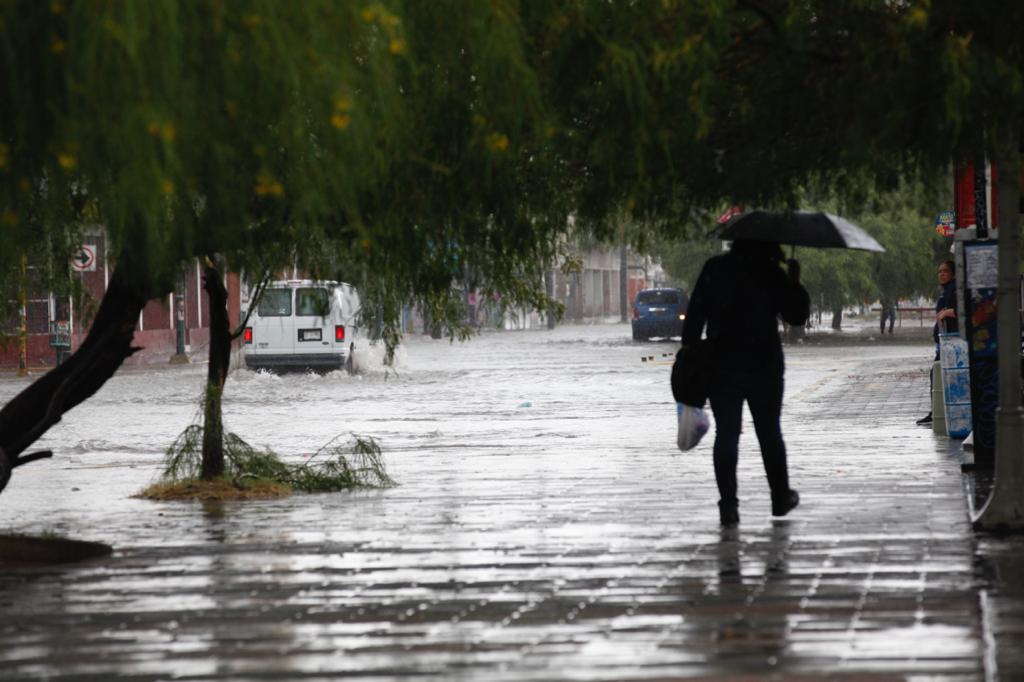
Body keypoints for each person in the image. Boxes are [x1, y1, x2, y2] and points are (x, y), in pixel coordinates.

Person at [682, 239, 810, 526]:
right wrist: (795, 281)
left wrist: (691, 355)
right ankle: (780, 497)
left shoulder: (714, 268)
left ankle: (728, 505)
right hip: (764, 365)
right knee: (769, 432)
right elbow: (797, 315)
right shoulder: (771, 273)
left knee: (727, 433)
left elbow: (693, 320)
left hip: (722, 364)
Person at [917, 260, 958, 425]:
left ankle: (938, 411)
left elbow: (963, 311)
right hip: (943, 341)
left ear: (953, 273)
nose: (941, 274)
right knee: (937, 374)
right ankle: (937, 410)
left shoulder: (954, 291)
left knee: (938, 374)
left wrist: (947, 313)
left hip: (952, 341)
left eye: (945, 271)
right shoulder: (945, 291)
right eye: (939, 271)